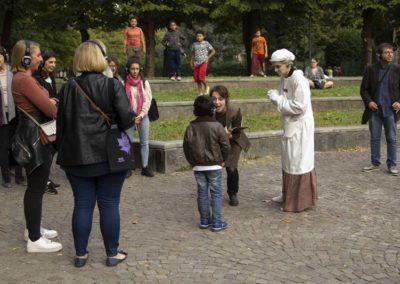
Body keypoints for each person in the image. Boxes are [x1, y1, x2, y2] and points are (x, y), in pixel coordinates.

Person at [56, 40, 136, 267]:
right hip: (109, 155)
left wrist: (60, 150)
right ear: (101, 58)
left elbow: (61, 123)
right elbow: (127, 118)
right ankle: (112, 253)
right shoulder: (112, 85)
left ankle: (80, 255)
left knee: (82, 204)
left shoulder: (68, 88)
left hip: (76, 156)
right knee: (109, 204)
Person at [11, 40, 62, 252]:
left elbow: (48, 101)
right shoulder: (24, 80)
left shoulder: (24, 78)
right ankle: (34, 239)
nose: (41, 58)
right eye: (38, 55)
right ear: (25, 58)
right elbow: (51, 110)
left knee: (36, 186)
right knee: (36, 187)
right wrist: (51, 103)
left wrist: (50, 101)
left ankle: (33, 228)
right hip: (35, 139)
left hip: (32, 135)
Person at [267, 48, 318, 212]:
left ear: (288, 64)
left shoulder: (298, 80)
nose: (276, 70)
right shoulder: (285, 77)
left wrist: (277, 100)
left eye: (278, 67)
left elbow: (299, 107)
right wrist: (278, 97)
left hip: (300, 127)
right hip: (290, 124)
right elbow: (286, 98)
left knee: (298, 161)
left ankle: (298, 201)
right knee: (288, 160)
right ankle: (288, 194)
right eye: (274, 67)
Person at [183, 95, 231, 232]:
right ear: (212, 110)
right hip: (215, 164)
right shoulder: (217, 126)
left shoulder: (190, 127)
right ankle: (217, 222)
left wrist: (192, 162)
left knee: (202, 193)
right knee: (216, 193)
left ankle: (204, 220)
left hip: (198, 165)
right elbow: (226, 146)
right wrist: (223, 159)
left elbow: (186, 147)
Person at [360, 43, 400, 175]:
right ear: (380, 55)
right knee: (375, 138)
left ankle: (392, 165)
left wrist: (399, 102)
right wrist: (369, 102)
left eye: (391, 52)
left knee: (392, 138)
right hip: (375, 110)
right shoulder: (370, 69)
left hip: (390, 110)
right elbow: (364, 90)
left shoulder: (397, 69)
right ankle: (375, 162)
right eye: (387, 52)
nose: (390, 54)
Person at [210, 85, 251, 206]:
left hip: (233, 141)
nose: (217, 102)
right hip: (216, 142)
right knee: (214, 168)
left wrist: (229, 135)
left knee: (231, 168)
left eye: (220, 99)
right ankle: (215, 194)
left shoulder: (234, 111)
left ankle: (233, 193)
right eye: (214, 99)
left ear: (226, 99)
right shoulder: (208, 110)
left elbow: (238, 133)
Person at [32, 49, 60, 194]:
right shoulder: (36, 78)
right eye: (50, 62)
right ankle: (43, 180)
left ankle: (46, 177)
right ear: (43, 62)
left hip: (52, 117)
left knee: (53, 148)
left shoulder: (51, 77)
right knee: (46, 149)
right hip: (42, 119)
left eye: (54, 62)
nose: (53, 65)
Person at [0, 45, 26, 188]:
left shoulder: (12, 73)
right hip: (1, 115)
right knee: (3, 147)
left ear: (5, 56)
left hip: (15, 113)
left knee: (17, 144)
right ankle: (5, 177)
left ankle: (19, 175)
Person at [124, 58, 154, 177]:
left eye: (137, 69)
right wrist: (132, 116)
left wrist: (141, 115)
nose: (135, 71)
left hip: (143, 116)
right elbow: (122, 102)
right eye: (133, 69)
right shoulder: (123, 83)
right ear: (128, 69)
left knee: (144, 142)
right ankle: (127, 167)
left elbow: (148, 100)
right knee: (127, 142)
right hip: (128, 116)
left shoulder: (144, 82)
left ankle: (145, 167)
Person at [190, 30, 216, 96]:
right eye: (197, 36)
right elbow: (193, 54)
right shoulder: (194, 44)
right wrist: (191, 62)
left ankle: (207, 86)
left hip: (203, 62)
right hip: (196, 63)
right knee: (197, 79)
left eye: (200, 36)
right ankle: (200, 93)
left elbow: (213, 51)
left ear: (203, 36)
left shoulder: (206, 43)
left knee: (201, 76)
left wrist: (207, 58)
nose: (199, 37)